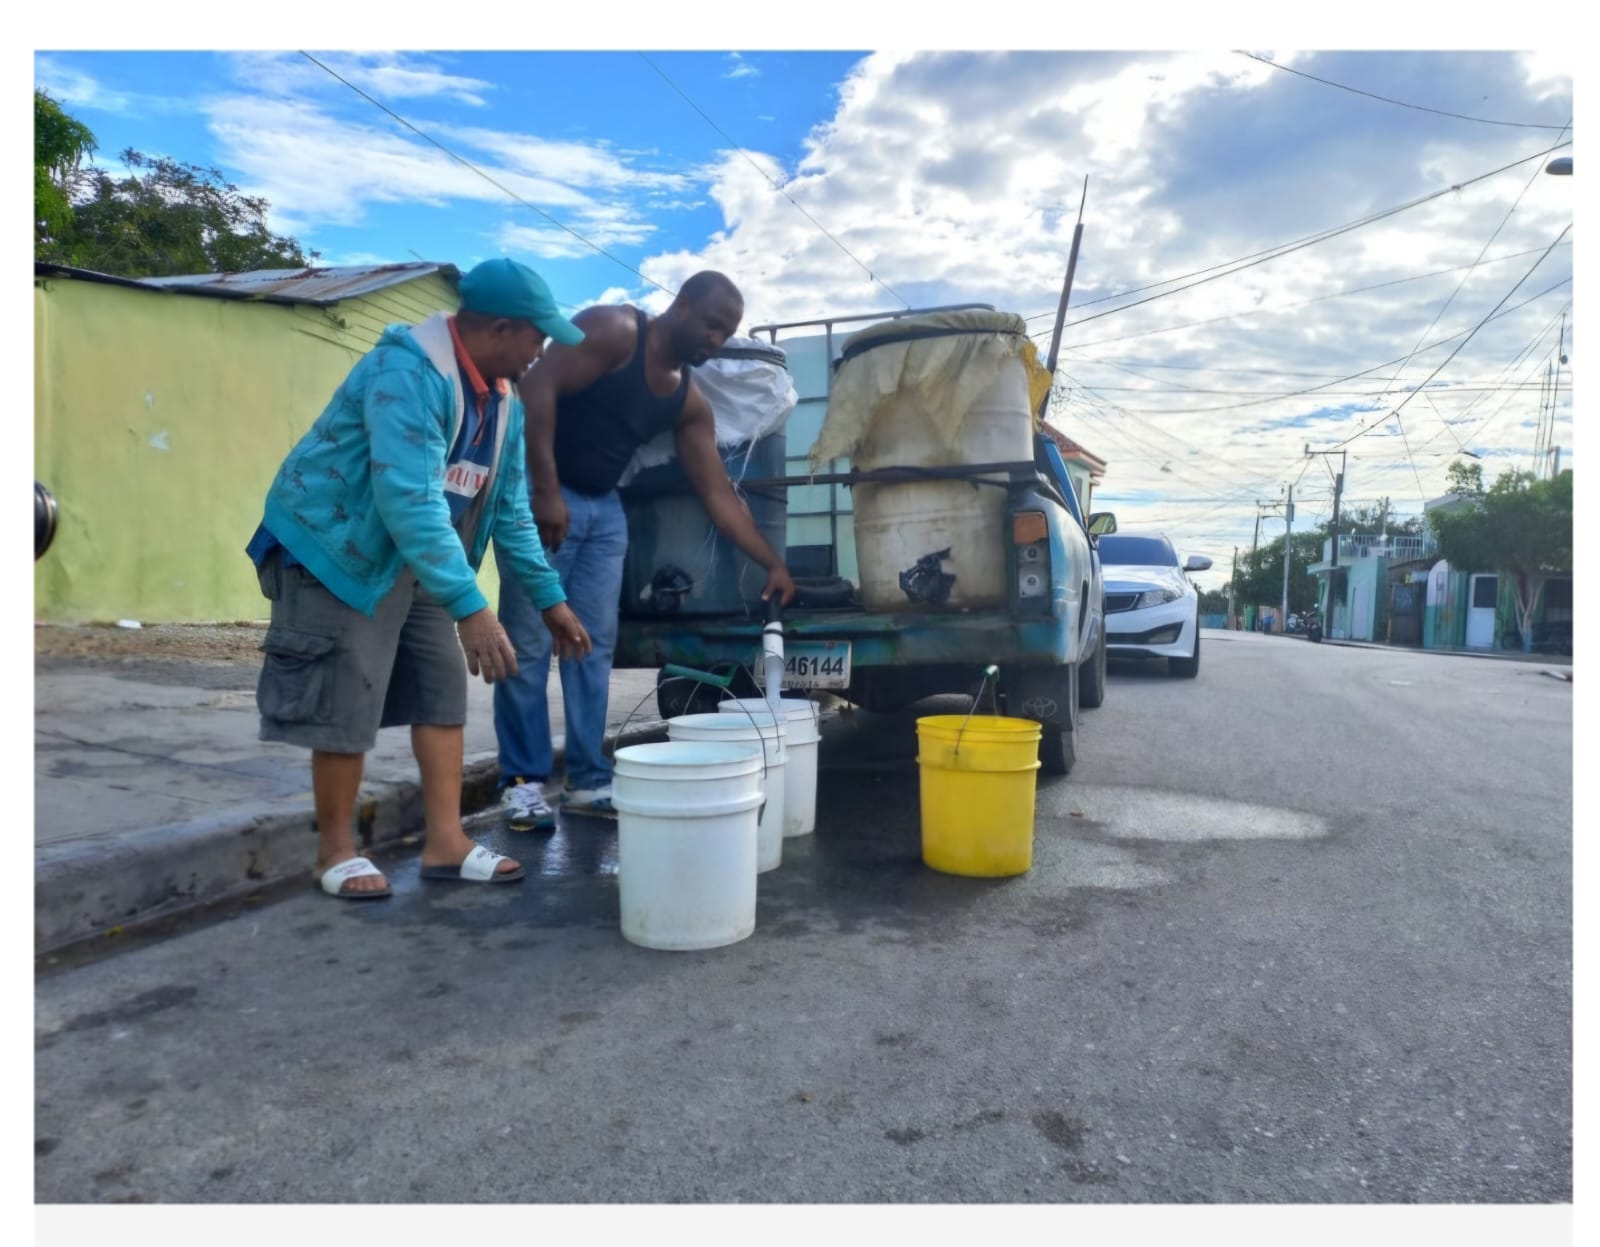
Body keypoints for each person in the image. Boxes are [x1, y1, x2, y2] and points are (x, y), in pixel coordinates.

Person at [247, 258, 593, 900]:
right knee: (349, 693)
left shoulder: (504, 399)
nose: (540, 352)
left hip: (426, 554)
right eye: (535, 337)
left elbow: (511, 507)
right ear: (497, 327)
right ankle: (337, 851)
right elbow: (407, 497)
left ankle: (446, 841)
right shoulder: (406, 371)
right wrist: (472, 605)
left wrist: (550, 599)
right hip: (338, 547)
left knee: (441, 689)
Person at [493, 272, 796, 827]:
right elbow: (537, 389)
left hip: (605, 511)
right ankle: (522, 783)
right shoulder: (615, 330)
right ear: (680, 305)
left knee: (591, 647)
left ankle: (585, 781)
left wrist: (772, 562)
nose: (715, 339)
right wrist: (545, 488)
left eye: (725, 332)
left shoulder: (688, 400)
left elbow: (717, 495)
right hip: (538, 500)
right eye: (710, 324)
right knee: (529, 643)